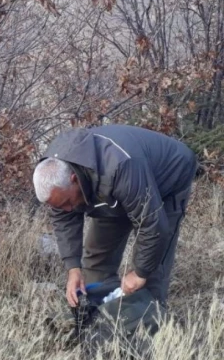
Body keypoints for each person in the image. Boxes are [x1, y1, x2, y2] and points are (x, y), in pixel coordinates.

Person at [32, 124, 198, 309]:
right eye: (60, 206)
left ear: (74, 179)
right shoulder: (57, 179)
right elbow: (64, 219)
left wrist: (140, 273)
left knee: (151, 268)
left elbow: (153, 226)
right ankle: (102, 316)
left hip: (168, 176)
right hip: (115, 188)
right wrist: (73, 268)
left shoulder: (120, 165)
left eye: (67, 203)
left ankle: (148, 323)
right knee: (96, 256)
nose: (67, 209)